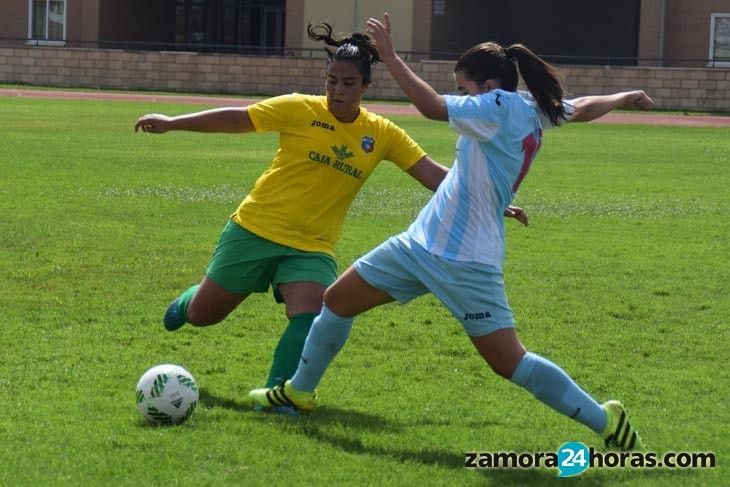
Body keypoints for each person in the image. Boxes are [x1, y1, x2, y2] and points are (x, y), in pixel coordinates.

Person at [250, 13, 654, 451]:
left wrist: (389, 55)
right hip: (421, 243)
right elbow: (584, 107)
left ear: (488, 86)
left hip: (466, 260)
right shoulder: (532, 106)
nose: (462, 97)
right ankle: (298, 391)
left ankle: (605, 421)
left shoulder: (496, 106)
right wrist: (624, 95)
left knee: (509, 363)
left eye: (465, 88)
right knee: (337, 300)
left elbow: (430, 107)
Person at [134, 21, 528, 403]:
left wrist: (491, 199)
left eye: (348, 83)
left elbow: (432, 173)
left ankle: (280, 394)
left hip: (312, 245)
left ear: (366, 87)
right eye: (332, 81)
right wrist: (173, 122)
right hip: (255, 228)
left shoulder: (382, 133)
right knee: (206, 315)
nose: (337, 91)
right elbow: (239, 117)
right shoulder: (299, 109)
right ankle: (189, 302)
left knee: (311, 310)